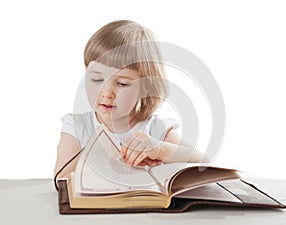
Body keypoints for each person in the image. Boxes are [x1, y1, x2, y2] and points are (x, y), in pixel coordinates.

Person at [54, 20, 207, 179]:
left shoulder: (155, 128)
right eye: (97, 79)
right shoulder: (77, 127)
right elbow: (61, 179)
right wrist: (95, 154)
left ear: (145, 88)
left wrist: (160, 150)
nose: (107, 93)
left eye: (122, 83)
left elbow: (205, 165)